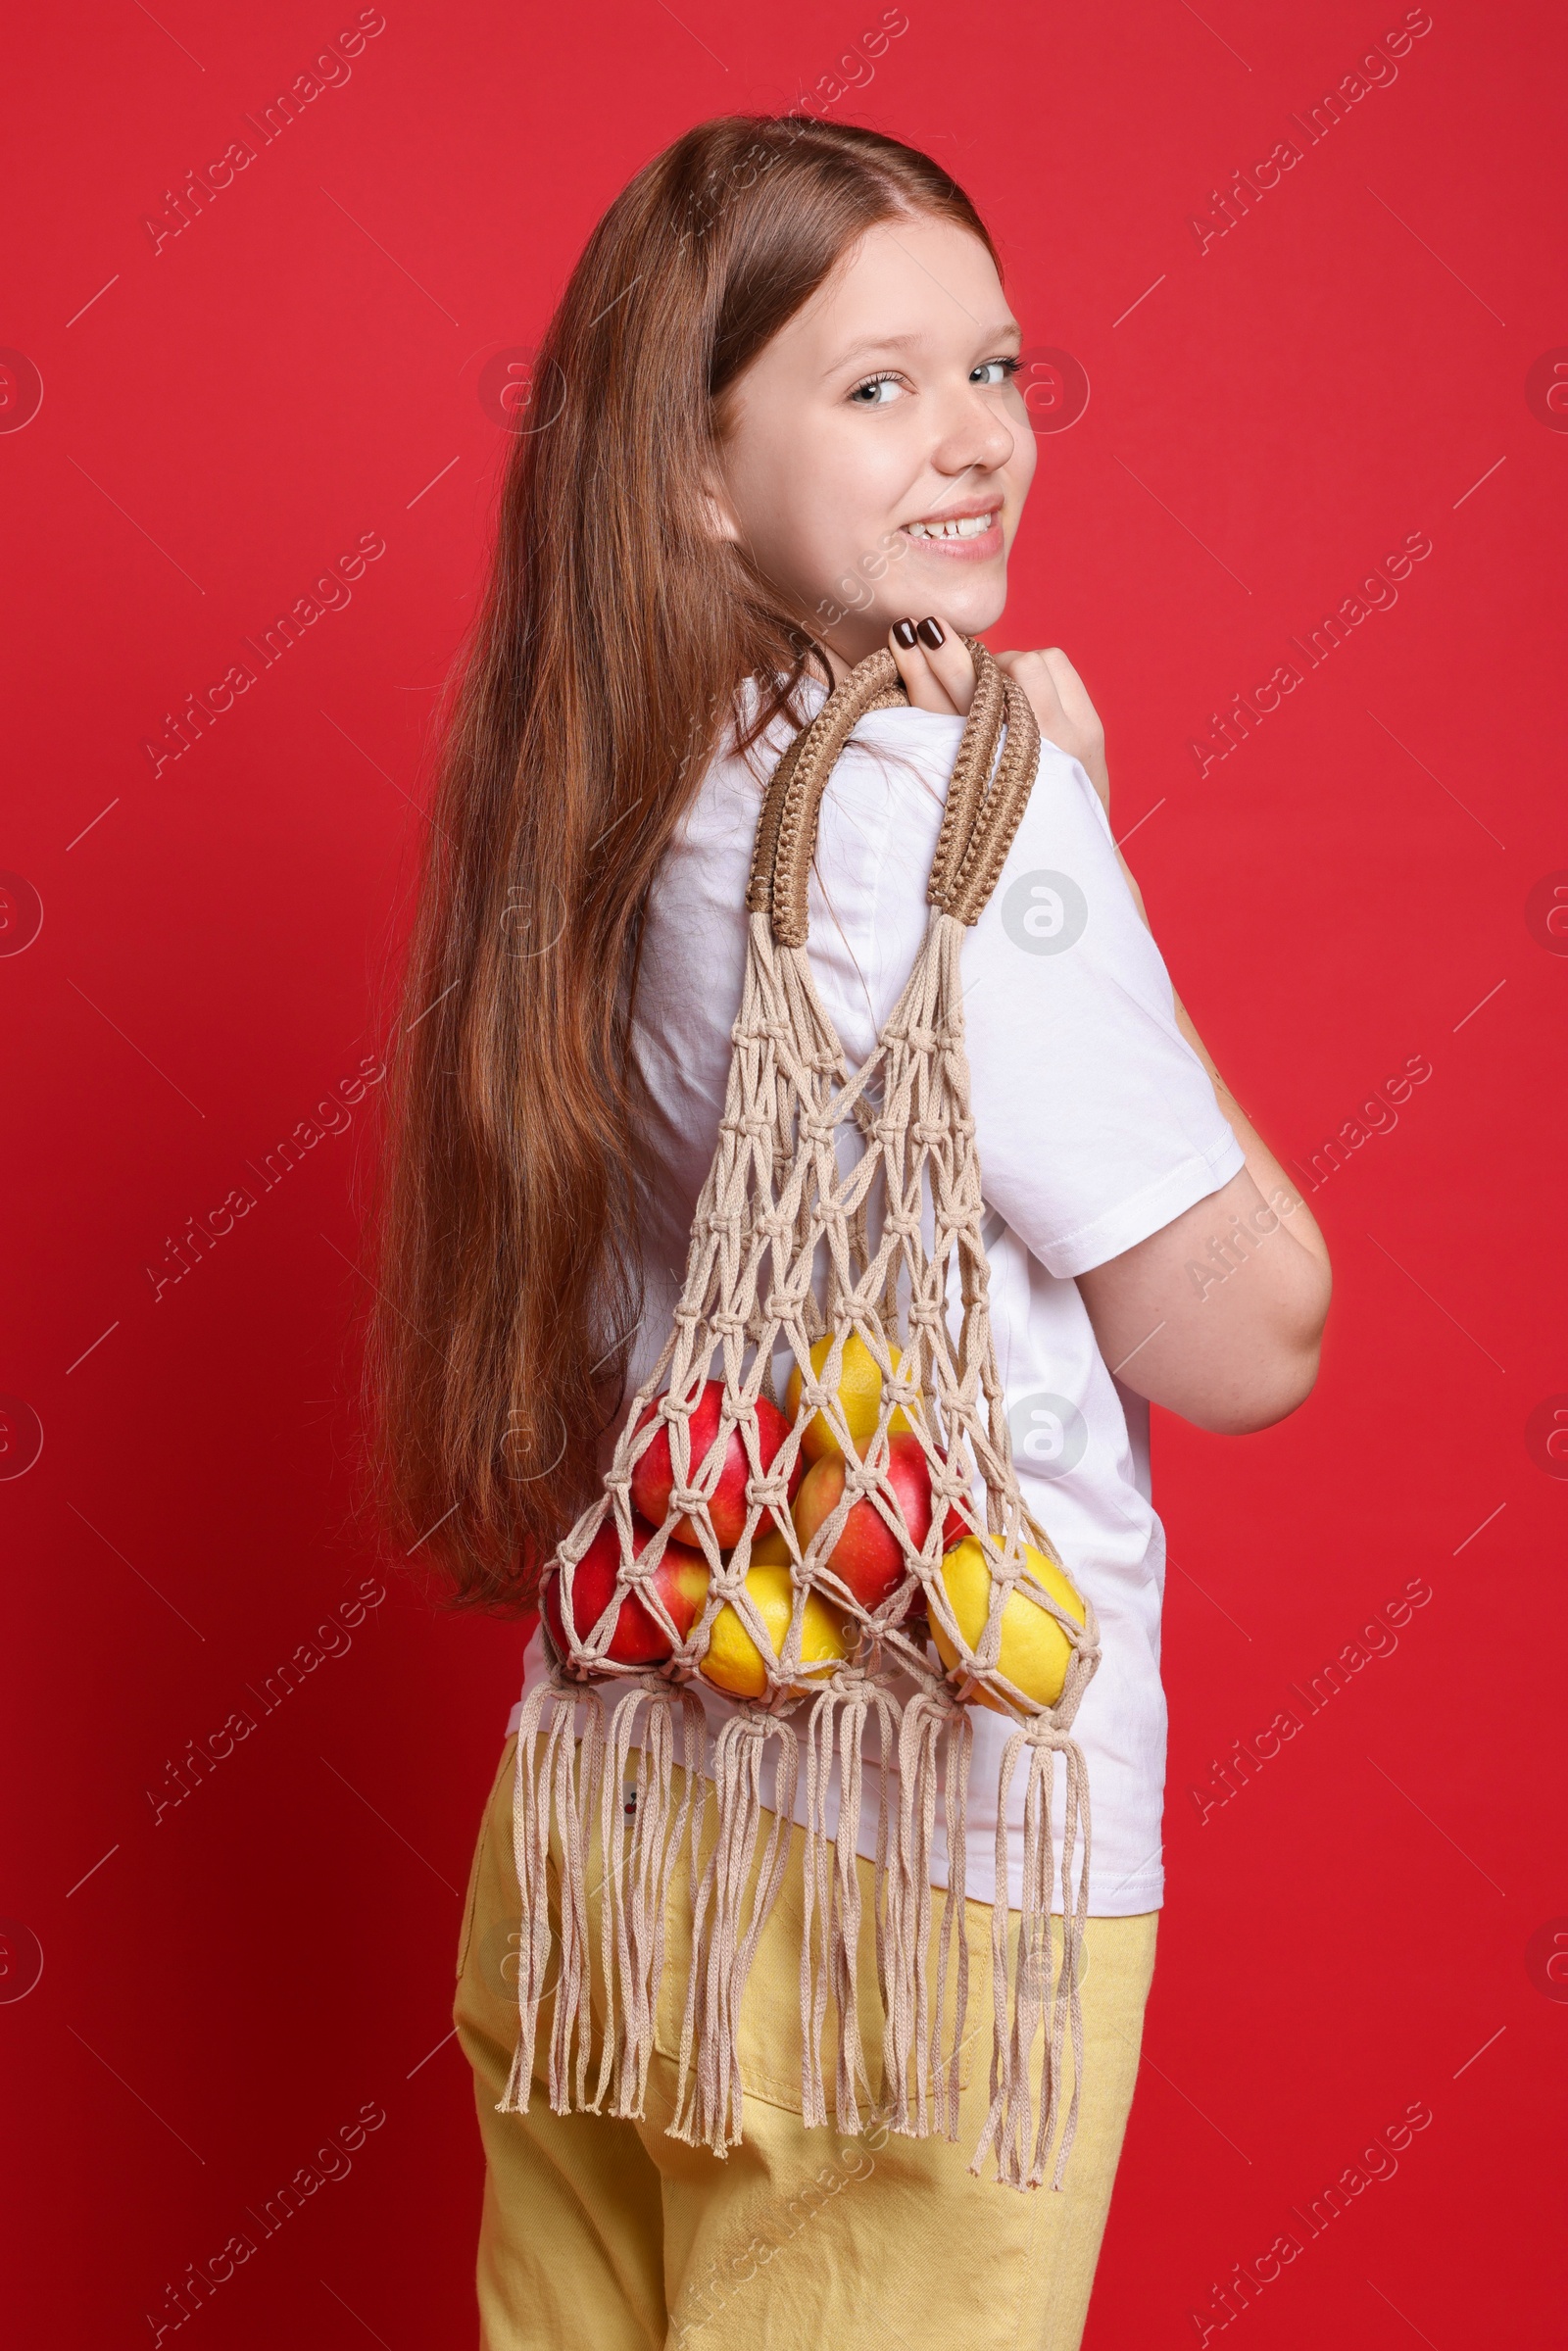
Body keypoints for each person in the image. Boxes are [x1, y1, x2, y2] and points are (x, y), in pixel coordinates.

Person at [365, 113, 1332, 2351]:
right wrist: (1064, 823)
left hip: (617, 1825)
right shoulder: (925, 802)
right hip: (916, 1867)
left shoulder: (592, 776)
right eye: (875, 386)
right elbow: (1244, 1334)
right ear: (696, 473)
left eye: (993, 368)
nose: (977, 438)